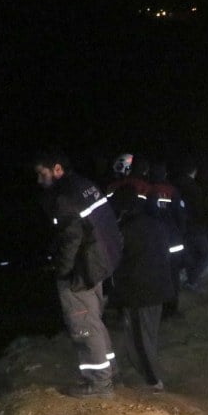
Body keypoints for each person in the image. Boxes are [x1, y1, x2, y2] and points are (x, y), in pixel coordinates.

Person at [32, 150, 123, 398]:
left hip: (83, 269)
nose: (39, 180)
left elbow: (70, 239)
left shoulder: (64, 198)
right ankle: (110, 371)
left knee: (83, 324)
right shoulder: (85, 185)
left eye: (42, 174)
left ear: (57, 169)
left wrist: (62, 272)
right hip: (102, 262)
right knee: (93, 319)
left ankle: (99, 384)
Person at [109, 180, 174, 392]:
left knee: (140, 340)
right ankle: (150, 376)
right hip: (159, 289)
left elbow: (115, 262)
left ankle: (154, 382)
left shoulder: (125, 229)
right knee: (148, 336)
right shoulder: (155, 223)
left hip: (139, 294)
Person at [148, 161, 186, 318]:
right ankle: (171, 309)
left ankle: (158, 308)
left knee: (157, 275)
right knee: (173, 276)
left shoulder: (147, 190)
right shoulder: (172, 191)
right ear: (165, 174)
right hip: (173, 241)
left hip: (154, 242)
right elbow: (181, 216)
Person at [172, 157, 208, 292]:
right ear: (194, 171)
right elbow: (199, 210)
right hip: (195, 227)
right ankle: (192, 281)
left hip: (180, 228)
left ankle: (190, 281)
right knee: (205, 256)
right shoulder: (194, 188)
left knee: (190, 256)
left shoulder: (175, 186)